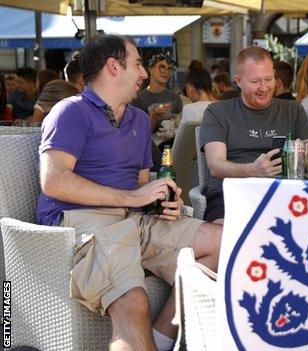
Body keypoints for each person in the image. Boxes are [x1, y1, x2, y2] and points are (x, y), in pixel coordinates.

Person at [36, 34, 222, 351]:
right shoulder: (70, 112)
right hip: (85, 222)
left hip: (135, 220)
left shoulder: (137, 118)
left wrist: (161, 199)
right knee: (133, 302)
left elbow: (139, 183)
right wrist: (133, 198)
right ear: (113, 67)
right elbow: (53, 181)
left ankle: (161, 341)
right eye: (137, 64)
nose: (144, 74)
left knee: (226, 243)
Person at [200, 46, 308, 223]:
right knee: (223, 236)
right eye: (255, 81)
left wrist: (304, 155)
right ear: (239, 80)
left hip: (284, 193)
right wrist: (253, 170)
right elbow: (215, 165)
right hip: (231, 194)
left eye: (268, 79)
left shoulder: (293, 110)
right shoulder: (218, 111)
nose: (264, 87)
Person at [132, 50, 183, 134]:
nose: (166, 71)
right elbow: (140, 133)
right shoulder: (138, 99)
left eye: (169, 68)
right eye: (162, 67)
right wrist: (154, 114)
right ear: (150, 68)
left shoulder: (176, 98)